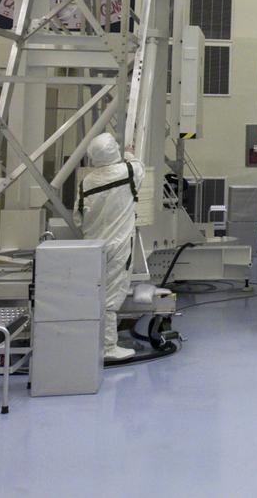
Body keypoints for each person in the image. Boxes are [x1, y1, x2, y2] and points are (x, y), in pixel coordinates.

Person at [78, 132, 145, 361]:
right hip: (118, 246)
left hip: (92, 246)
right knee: (111, 295)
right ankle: (108, 347)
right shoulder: (127, 172)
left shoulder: (86, 181)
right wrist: (129, 151)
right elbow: (139, 166)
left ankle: (87, 339)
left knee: (94, 291)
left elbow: (79, 217)